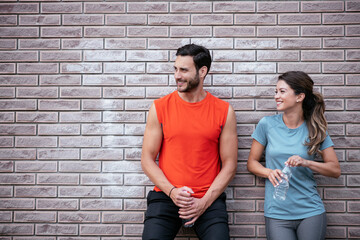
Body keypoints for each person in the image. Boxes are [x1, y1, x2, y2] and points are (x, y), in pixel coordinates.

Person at [141, 44, 238, 240]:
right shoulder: (160, 107)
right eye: (176, 69)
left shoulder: (224, 111)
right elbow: (147, 159)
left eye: (184, 70)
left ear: (202, 72)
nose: (177, 75)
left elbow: (230, 165)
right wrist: (172, 191)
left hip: (207, 198)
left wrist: (203, 203)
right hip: (167, 195)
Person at [247, 71, 341, 240]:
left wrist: (306, 162)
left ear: (300, 97)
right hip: (277, 213)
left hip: (310, 212)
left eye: (282, 92)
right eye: (276, 92)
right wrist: (268, 172)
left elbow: (335, 170)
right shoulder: (266, 125)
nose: (277, 96)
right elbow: (252, 162)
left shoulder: (315, 128)